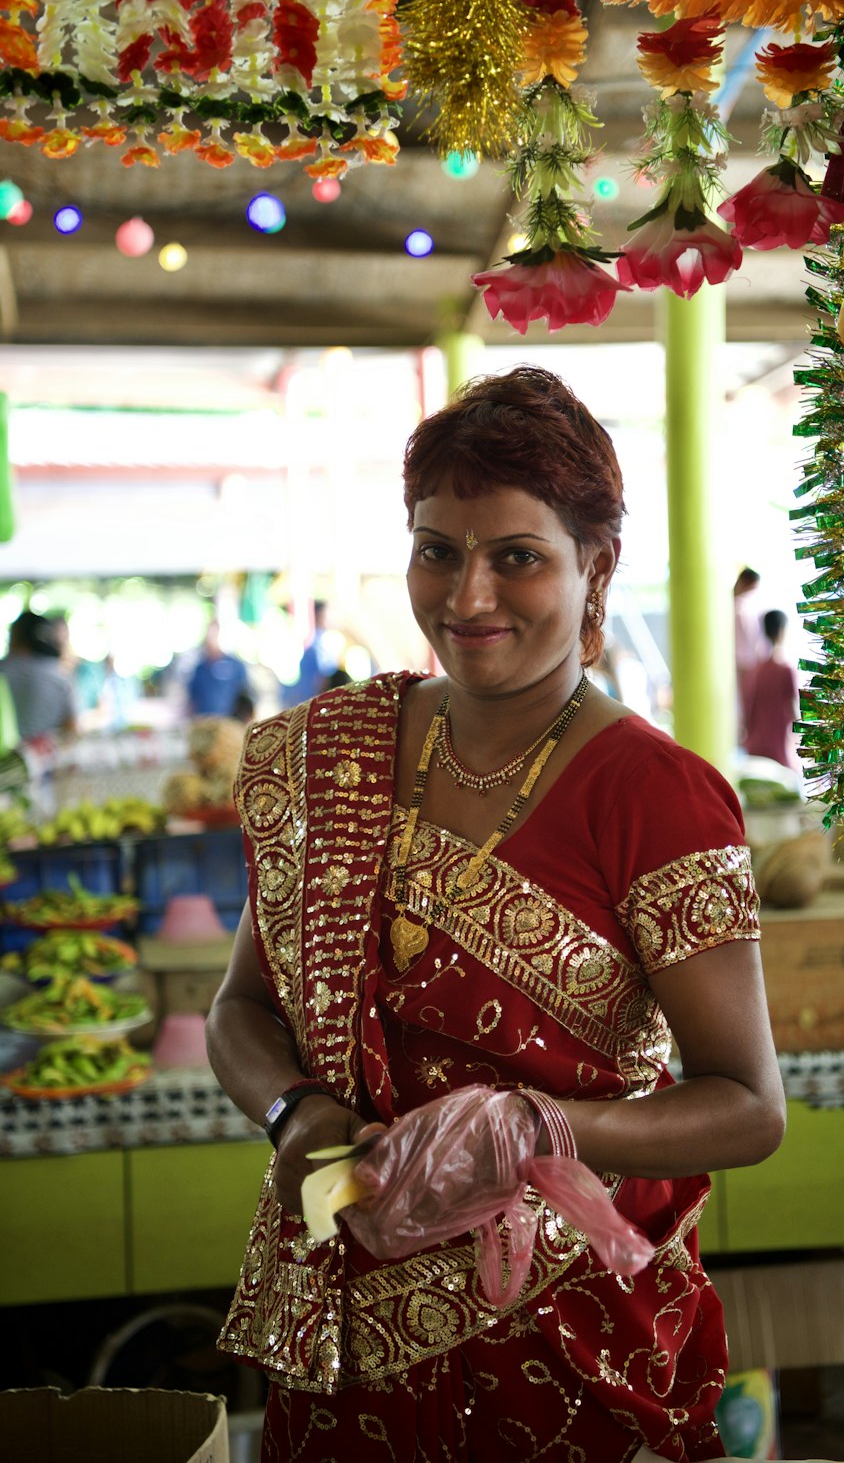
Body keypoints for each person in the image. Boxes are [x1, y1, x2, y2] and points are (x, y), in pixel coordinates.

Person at [206, 366, 785, 1463]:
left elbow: (749, 1107)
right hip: (338, 1320)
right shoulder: (329, 756)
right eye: (438, 550)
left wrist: (535, 1129)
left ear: (594, 564)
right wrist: (294, 1115)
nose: (466, 599)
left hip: (554, 1339)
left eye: (515, 556)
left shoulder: (651, 792)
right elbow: (240, 1007)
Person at [0, 610, 77, 741]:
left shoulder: (3, 669)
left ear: (15, 636)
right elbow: (72, 727)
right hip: (44, 758)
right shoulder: (61, 675)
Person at [742, 609, 800, 772]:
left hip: (755, 745)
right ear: (782, 631)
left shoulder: (756, 669)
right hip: (778, 746)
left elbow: (748, 708)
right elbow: (794, 711)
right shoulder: (785, 670)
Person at [186, 618, 251, 718]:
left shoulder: (235, 665)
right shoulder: (200, 668)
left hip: (230, 722)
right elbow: (192, 698)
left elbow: (245, 694)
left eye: (214, 635)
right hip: (204, 721)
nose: (211, 639)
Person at [732, 567, 767, 741]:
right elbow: (754, 640)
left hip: (741, 662)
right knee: (746, 705)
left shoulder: (735, 606)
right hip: (745, 663)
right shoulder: (741, 607)